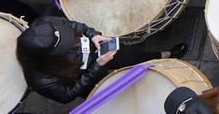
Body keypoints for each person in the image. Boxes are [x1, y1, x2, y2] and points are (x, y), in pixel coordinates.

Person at [16, 16, 185, 103]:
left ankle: (167, 55)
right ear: (48, 57)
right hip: (87, 78)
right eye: (63, 47)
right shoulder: (40, 80)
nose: (70, 42)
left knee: (131, 56)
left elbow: (73, 25)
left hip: (95, 49)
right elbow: (68, 94)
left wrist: (93, 35)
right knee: (122, 95)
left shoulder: (44, 23)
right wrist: (98, 67)